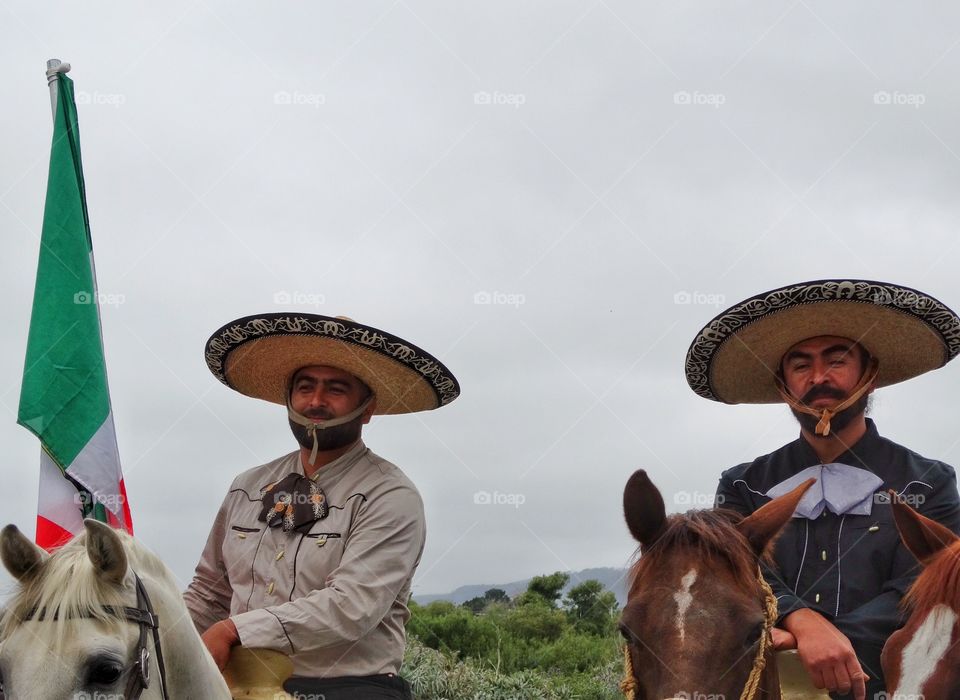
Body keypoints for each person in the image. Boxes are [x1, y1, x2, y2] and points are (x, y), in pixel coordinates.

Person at [684, 279, 960, 700]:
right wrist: (801, 623)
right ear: (783, 384)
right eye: (800, 366)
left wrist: (829, 642)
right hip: (768, 684)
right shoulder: (741, 485)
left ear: (870, 375)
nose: (818, 378)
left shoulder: (930, 481)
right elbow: (734, 576)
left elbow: (926, 586)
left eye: (837, 361)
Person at [184, 312, 459, 700]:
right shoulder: (246, 488)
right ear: (289, 399)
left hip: (349, 688)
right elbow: (208, 593)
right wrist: (154, 634)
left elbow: (351, 605)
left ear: (366, 408)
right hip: (236, 685)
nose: (316, 401)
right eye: (305, 386)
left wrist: (235, 630)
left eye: (335, 389)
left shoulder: (389, 495)